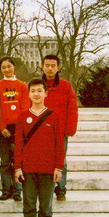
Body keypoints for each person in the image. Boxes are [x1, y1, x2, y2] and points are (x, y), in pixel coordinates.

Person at [14, 78, 64, 217]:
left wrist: (58, 168)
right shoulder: (22, 117)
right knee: (29, 205)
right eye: (33, 91)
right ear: (28, 94)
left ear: (45, 93)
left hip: (48, 169)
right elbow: (18, 143)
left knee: (45, 206)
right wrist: (17, 168)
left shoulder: (54, 116)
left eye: (39, 91)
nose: (36, 94)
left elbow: (60, 144)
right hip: (28, 169)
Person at [41, 55, 78, 201]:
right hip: (41, 130)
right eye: (47, 65)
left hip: (60, 130)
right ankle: (44, 187)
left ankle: (61, 188)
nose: (50, 68)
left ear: (58, 67)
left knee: (61, 160)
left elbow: (73, 108)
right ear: (42, 66)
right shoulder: (37, 84)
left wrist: (70, 128)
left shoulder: (66, 86)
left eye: (53, 65)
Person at [0, 56, 29, 202]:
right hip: (3, 128)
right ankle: (6, 189)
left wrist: (21, 128)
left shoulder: (22, 86)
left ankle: (17, 189)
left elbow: (25, 107)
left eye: (9, 66)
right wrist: (1, 127)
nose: (7, 69)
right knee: (5, 160)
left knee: (18, 161)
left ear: (14, 67)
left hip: (18, 127)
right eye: (4, 67)